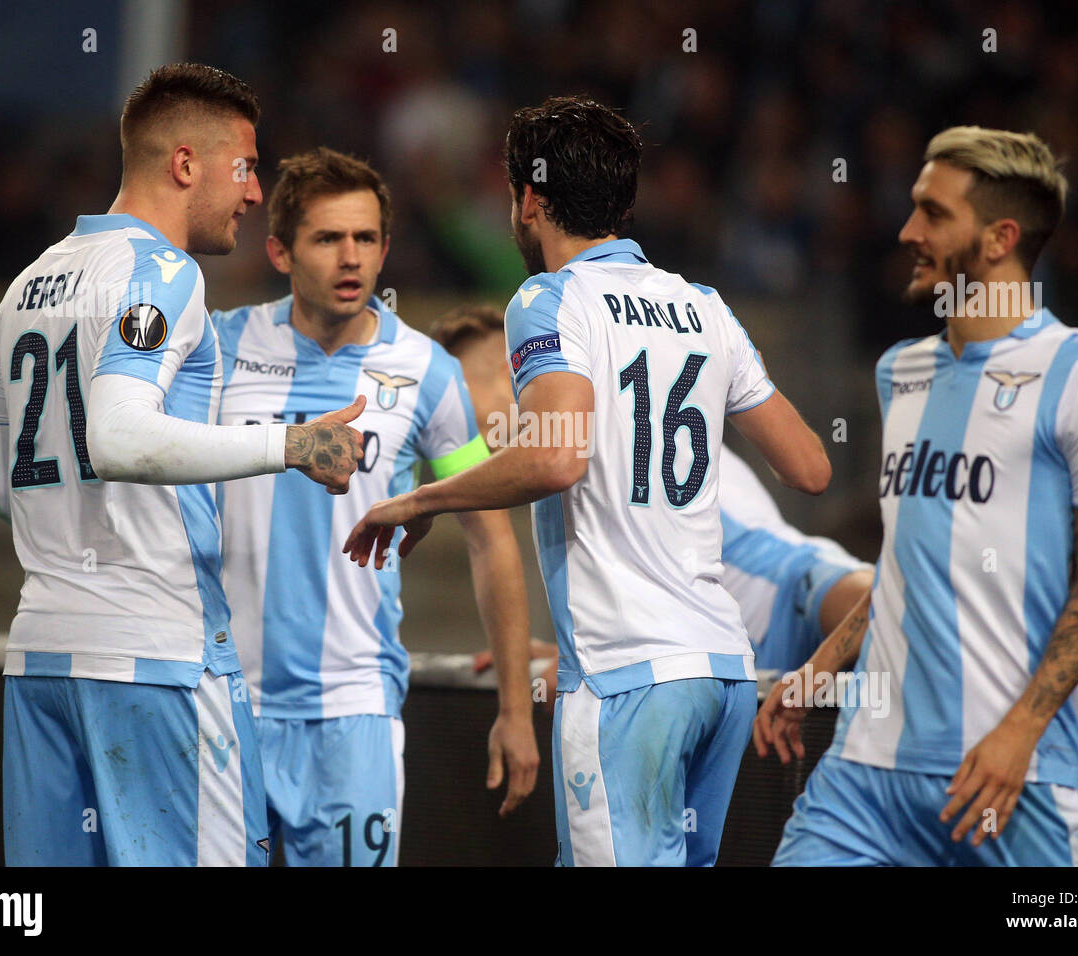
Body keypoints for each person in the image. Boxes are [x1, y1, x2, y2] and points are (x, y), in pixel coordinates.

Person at [345, 96, 830, 866]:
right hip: (724, 670)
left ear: (529, 200)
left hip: (626, 673)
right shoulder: (704, 306)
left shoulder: (548, 297)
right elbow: (811, 467)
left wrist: (418, 498)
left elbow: (556, 456)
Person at [0, 64, 364, 866]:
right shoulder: (162, 273)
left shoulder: (26, 283)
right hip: (153, 660)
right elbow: (118, 438)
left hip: (41, 659)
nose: (255, 193)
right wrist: (289, 444)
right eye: (246, 167)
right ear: (186, 164)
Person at [757, 126, 1078, 866]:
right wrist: (820, 668)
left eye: (933, 214)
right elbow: (908, 564)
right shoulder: (899, 372)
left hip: (1008, 777)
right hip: (864, 779)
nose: (908, 232)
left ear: (1000, 238)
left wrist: (1019, 734)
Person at [212, 147, 538, 866]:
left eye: (365, 238)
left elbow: (493, 540)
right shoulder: (220, 349)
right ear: (279, 250)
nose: (349, 257)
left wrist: (515, 711)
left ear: (387, 249)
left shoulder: (426, 370)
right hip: (221, 705)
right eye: (327, 239)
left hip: (353, 707)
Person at [431, 306, 873, 716]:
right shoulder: (567, 458)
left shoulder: (601, 423)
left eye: (457, 402)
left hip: (789, 609)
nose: (453, 434)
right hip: (722, 663)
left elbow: (858, 588)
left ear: (514, 369)